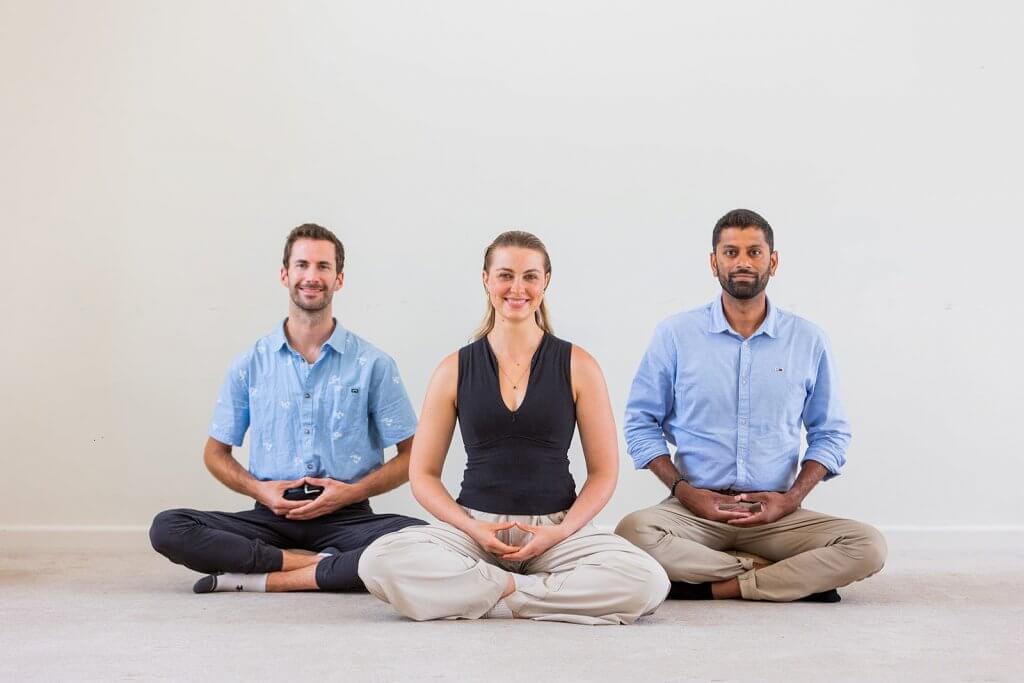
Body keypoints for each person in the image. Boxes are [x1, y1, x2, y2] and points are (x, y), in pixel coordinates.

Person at [357, 231, 669, 624]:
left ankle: (502, 591)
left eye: (529, 276)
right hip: (476, 531)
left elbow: (604, 472)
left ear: (546, 282)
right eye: (505, 275)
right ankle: (517, 589)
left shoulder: (579, 366)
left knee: (648, 581)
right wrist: (472, 527)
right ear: (486, 280)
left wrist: (560, 532)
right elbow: (422, 475)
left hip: (557, 531)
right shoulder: (453, 369)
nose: (517, 288)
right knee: (377, 562)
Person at [615, 209, 886, 602]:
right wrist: (688, 493)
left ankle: (718, 582)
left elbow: (831, 433)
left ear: (772, 262)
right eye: (731, 252)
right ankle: (773, 576)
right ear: (714, 262)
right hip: (695, 512)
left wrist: (790, 500)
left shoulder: (808, 339)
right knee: (631, 533)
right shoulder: (676, 335)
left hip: (775, 513)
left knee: (868, 546)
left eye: (755, 252)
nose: (743, 262)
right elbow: (641, 423)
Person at [149, 223, 426, 593]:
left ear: (339, 279)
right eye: (302, 265)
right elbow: (215, 453)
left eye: (323, 267)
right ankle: (319, 567)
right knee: (168, 527)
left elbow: (413, 456)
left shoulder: (373, 363)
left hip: (348, 519)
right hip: (270, 519)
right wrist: (260, 491)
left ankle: (263, 579)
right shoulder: (250, 363)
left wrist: (351, 492)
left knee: (425, 541)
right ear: (285, 274)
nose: (311, 277)